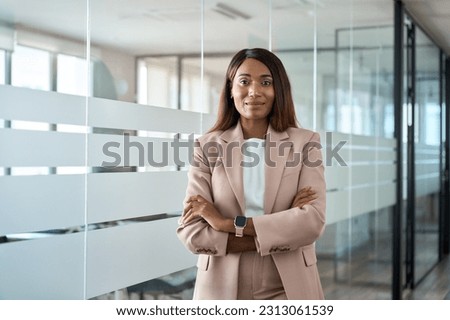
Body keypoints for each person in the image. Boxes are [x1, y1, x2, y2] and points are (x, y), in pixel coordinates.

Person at [176, 48, 326, 300]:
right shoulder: (206, 146)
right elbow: (192, 232)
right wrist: (282, 224)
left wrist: (227, 224)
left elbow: (311, 222)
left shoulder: (306, 142)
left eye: (266, 82)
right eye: (244, 81)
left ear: (278, 89)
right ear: (231, 89)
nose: (254, 91)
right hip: (221, 284)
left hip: (288, 283)